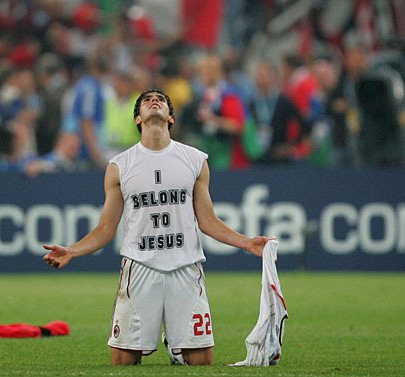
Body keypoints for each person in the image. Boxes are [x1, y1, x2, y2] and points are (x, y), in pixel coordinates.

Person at [42, 88, 272, 366]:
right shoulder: (119, 166)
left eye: (161, 100)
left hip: (185, 267)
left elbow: (208, 221)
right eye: (147, 100)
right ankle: (172, 339)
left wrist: (246, 242)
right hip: (140, 267)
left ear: (170, 118)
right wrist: (72, 251)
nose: (154, 101)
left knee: (200, 362)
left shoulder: (195, 160)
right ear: (138, 119)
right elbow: (105, 229)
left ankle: (176, 345)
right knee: (124, 362)